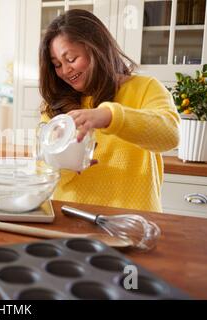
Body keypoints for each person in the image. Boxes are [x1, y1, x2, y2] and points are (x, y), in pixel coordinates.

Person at [39, 9, 180, 212]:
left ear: (97, 48)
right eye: (57, 65)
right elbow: (44, 172)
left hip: (133, 221)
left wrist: (108, 117)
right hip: (71, 219)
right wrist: (66, 160)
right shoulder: (57, 106)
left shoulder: (144, 88)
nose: (64, 71)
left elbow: (170, 136)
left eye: (70, 59)